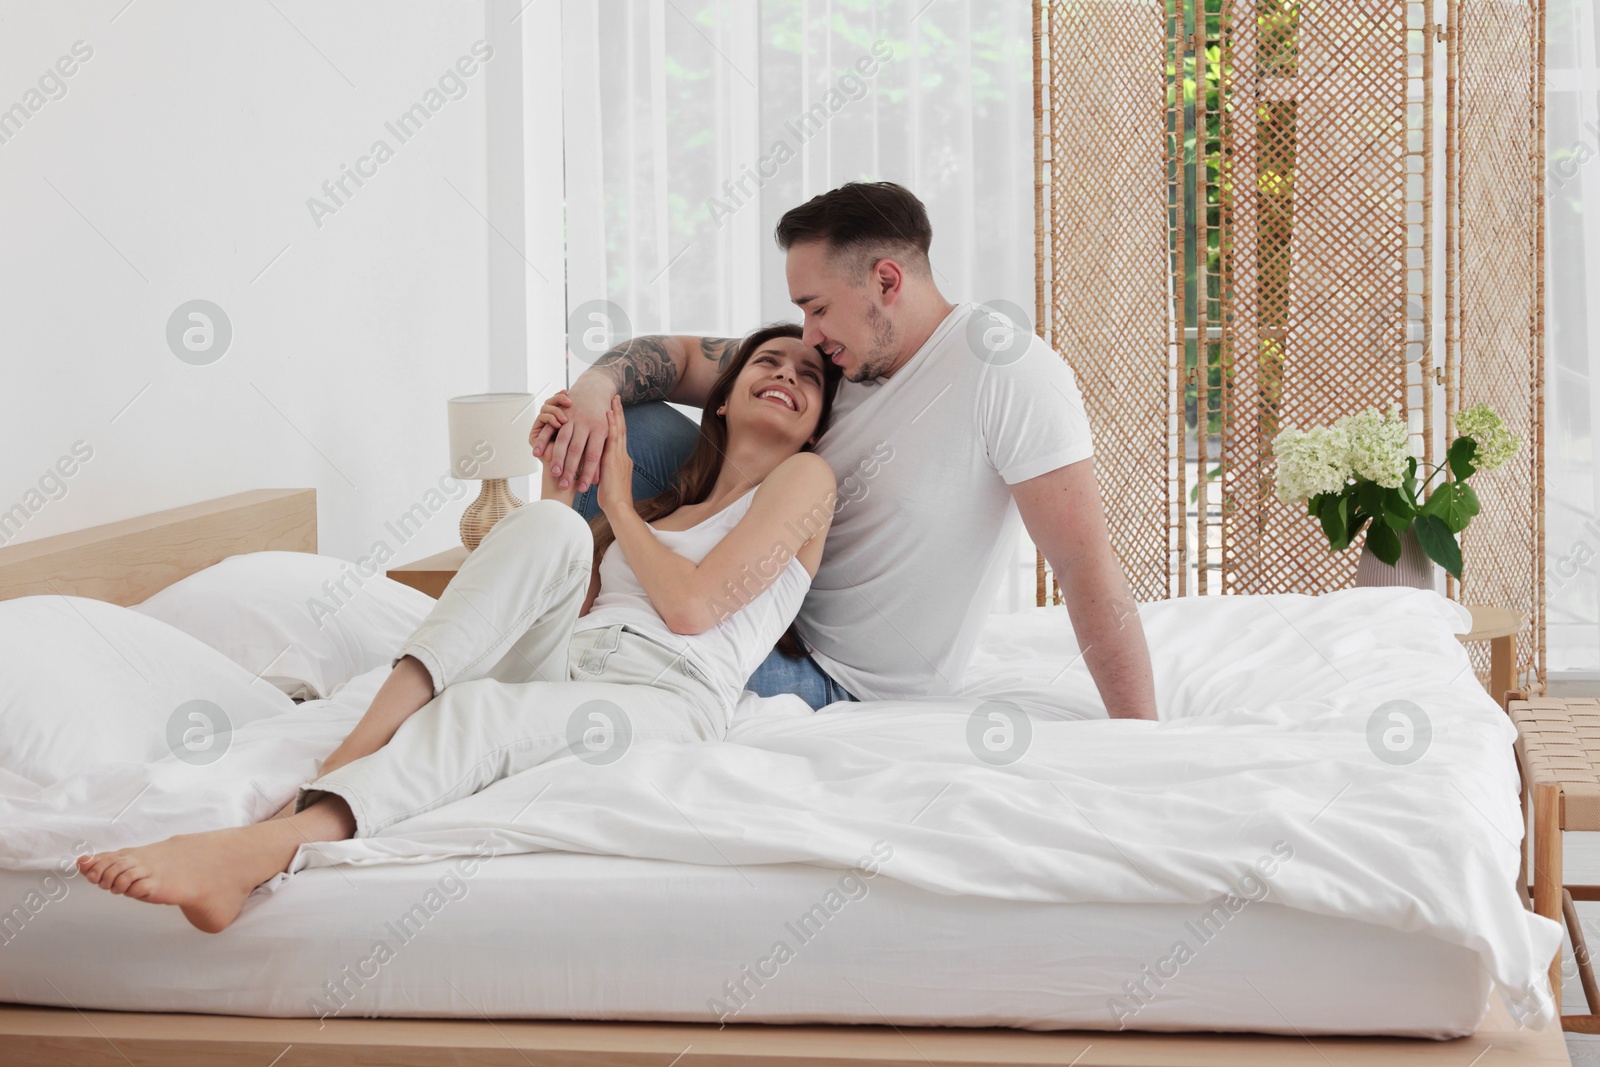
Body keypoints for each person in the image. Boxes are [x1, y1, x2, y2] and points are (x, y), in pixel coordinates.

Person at [77, 324, 843, 932]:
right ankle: (352, 752)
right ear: (724, 398)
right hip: (578, 662)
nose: (786, 376)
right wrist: (562, 484)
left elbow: (692, 608)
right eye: (768, 362)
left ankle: (266, 846)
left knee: (481, 712)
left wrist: (612, 500)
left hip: (666, 696)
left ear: (814, 424)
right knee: (549, 529)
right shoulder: (661, 508)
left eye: (808, 377)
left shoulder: (806, 480)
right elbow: (569, 605)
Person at [535, 181, 1158, 719]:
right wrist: (591, 390)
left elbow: (1083, 564)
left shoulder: (1007, 370)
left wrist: (1140, 733)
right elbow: (676, 358)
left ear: (886, 280)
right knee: (629, 418)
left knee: (618, 586)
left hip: (837, 676)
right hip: (749, 602)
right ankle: (559, 606)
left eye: (818, 308)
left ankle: (550, 635)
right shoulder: (834, 364)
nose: (808, 335)